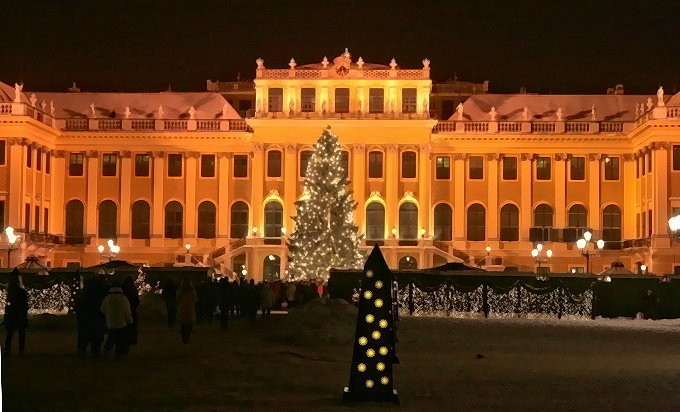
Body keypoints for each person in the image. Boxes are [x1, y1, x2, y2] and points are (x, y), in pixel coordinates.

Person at [74, 277, 107, 357]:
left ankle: (82, 351)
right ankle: (95, 351)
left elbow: (77, 306)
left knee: (84, 337)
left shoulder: (83, 293)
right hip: (97, 319)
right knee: (96, 337)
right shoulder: (101, 293)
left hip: (85, 319)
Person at [101, 282, 133, 359]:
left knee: (111, 337)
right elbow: (127, 311)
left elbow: (102, 309)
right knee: (120, 339)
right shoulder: (123, 298)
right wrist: (130, 321)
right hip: (121, 323)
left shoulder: (107, 298)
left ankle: (107, 351)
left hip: (110, 322)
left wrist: (108, 315)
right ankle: (118, 354)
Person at [3, 270, 28, 356]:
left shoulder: (12, 292)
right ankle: (20, 350)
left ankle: (8, 349)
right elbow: (24, 305)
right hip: (18, 314)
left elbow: (9, 304)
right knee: (19, 333)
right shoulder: (20, 292)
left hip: (14, 314)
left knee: (11, 332)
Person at [177, 279, 198, 344]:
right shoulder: (192, 291)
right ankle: (187, 338)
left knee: (183, 325)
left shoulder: (180, 290)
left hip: (182, 308)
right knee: (189, 324)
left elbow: (177, 299)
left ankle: (183, 338)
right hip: (190, 309)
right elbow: (196, 299)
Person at [122, 276, 140, 348]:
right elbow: (137, 301)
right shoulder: (133, 289)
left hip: (124, 311)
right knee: (132, 325)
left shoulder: (123, 290)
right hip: (132, 310)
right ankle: (132, 339)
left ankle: (124, 340)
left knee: (124, 326)